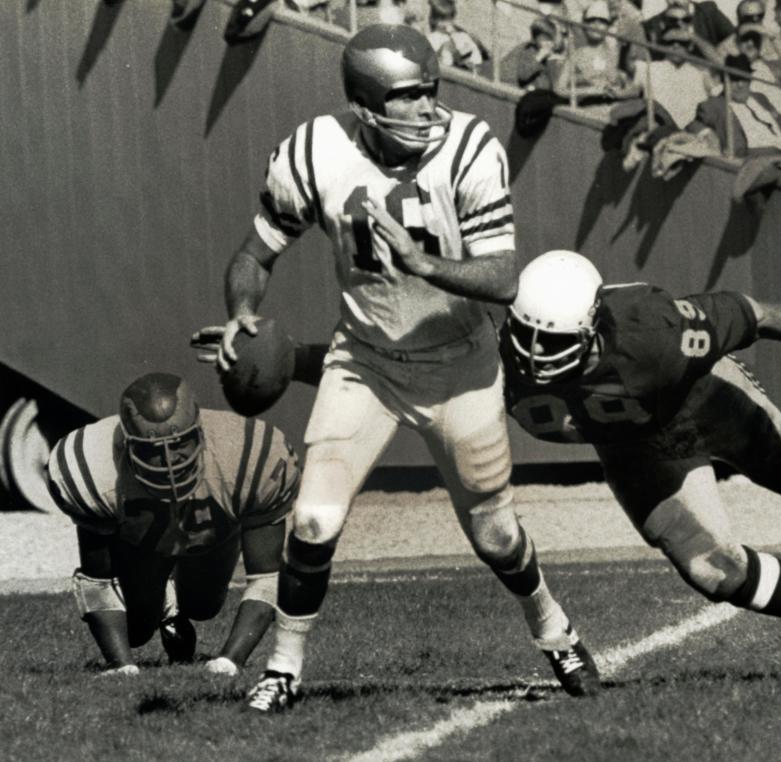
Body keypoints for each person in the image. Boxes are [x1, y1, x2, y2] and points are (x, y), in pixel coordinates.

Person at [216, 23, 599, 712]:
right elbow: (255, 252)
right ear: (365, 107)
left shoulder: (471, 146)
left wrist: (422, 262)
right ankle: (284, 666)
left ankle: (553, 625)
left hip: (461, 365)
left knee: (496, 535)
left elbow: (505, 278)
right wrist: (244, 309)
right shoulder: (315, 151)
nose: (430, 106)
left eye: (433, 89)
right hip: (365, 362)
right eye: (411, 96)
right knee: (311, 522)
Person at [500, 250, 781, 675]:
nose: (535, 354)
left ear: (594, 325)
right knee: (713, 569)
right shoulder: (495, 360)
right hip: (629, 443)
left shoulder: (653, 329)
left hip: (700, 401)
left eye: (554, 341)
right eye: (525, 332)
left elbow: (757, 315)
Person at [46, 372, 301, 676]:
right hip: (140, 542)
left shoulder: (247, 451)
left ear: (201, 432)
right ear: (127, 445)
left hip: (213, 536)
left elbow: (267, 577)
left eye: (180, 443)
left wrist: (230, 661)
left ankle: (180, 605)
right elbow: (98, 580)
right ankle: (165, 605)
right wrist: (122, 667)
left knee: (203, 606)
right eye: (152, 449)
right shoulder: (93, 461)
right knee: (136, 630)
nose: (170, 459)